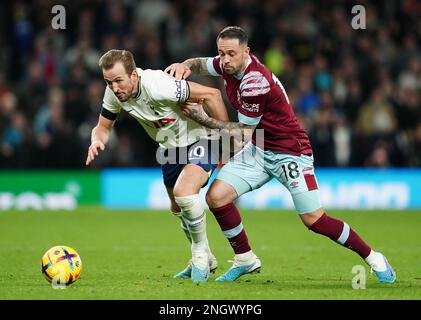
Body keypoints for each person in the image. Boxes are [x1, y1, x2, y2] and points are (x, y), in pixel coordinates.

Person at [165, 26, 396, 282]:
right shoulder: (227, 64)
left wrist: (202, 118)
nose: (225, 59)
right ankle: (245, 258)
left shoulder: (255, 82)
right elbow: (201, 64)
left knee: (314, 220)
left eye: (231, 53)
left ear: (246, 52)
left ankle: (373, 257)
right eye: (222, 53)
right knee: (217, 197)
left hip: (290, 151)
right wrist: (183, 65)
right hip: (260, 147)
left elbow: (242, 131)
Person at [86, 49, 230, 282]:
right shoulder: (114, 91)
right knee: (176, 207)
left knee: (185, 193)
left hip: (201, 138)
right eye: (108, 82)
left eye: (118, 81)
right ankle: (208, 259)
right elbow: (103, 128)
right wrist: (96, 140)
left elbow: (212, 94)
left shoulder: (160, 85)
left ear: (134, 75)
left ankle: (200, 256)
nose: (114, 88)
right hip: (170, 148)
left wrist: (226, 140)